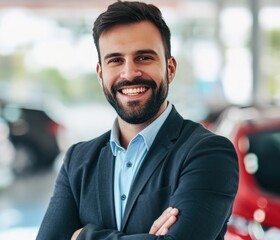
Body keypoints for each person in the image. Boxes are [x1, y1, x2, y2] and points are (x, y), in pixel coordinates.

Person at [36, 1, 239, 239]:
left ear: (170, 69)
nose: (130, 73)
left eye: (143, 57)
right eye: (115, 60)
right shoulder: (77, 161)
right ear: (101, 74)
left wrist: (82, 236)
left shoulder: (207, 152)